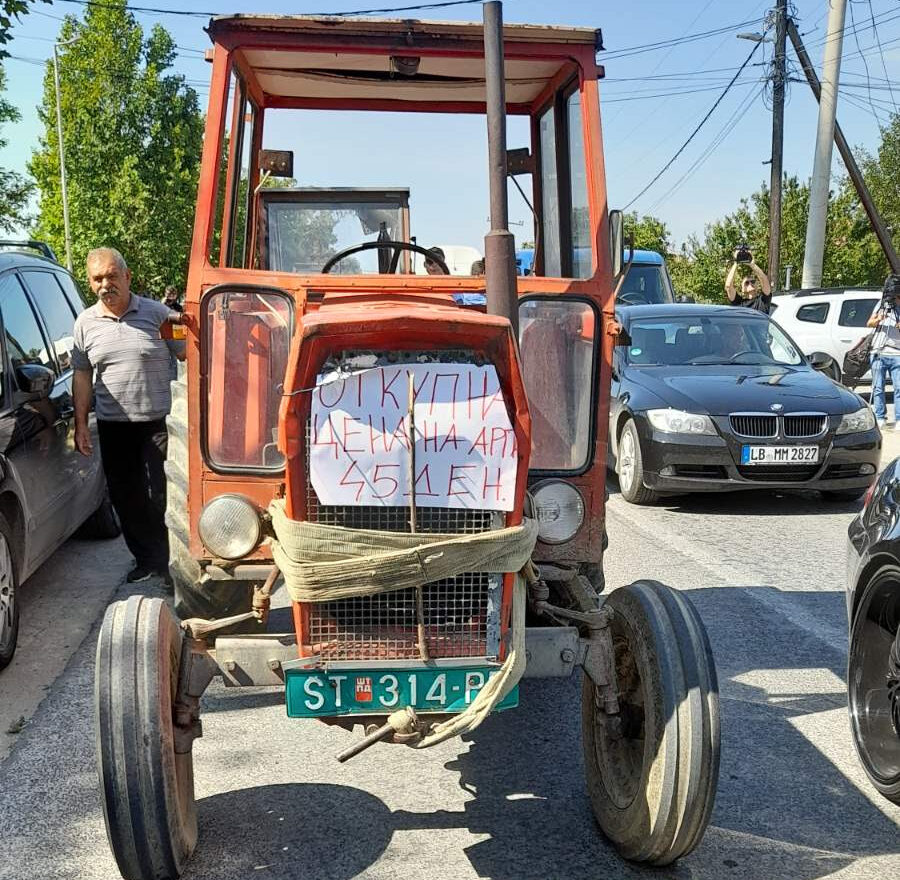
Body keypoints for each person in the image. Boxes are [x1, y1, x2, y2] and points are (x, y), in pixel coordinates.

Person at [72, 248, 185, 583]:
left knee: (162, 496)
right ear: (91, 283)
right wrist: (80, 425)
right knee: (126, 497)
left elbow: (186, 353)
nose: (106, 284)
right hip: (113, 426)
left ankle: (170, 564)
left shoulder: (157, 314)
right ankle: (147, 560)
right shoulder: (85, 324)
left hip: (158, 423)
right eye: (97, 279)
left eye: (111, 276)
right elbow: (82, 375)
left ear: (127, 276)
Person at [866, 274, 900, 428]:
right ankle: (880, 417)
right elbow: (870, 323)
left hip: (897, 353)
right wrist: (879, 319)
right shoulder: (882, 305)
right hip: (878, 351)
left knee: (899, 388)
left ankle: (899, 418)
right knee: (878, 387)